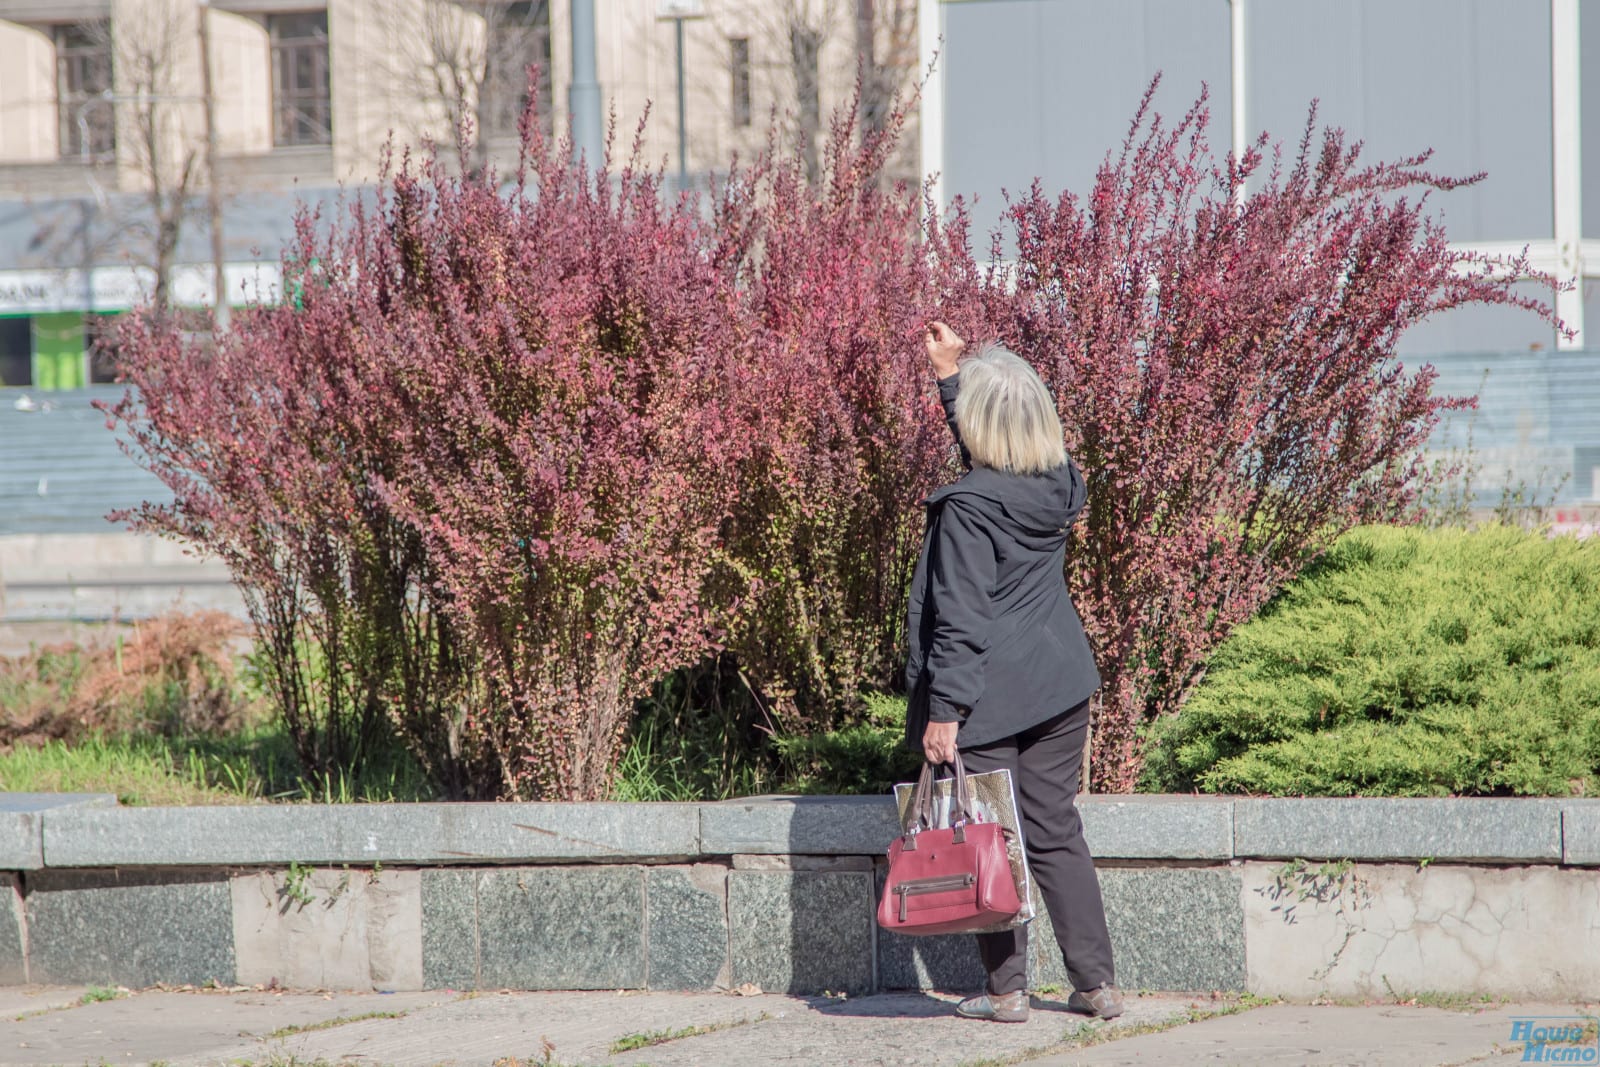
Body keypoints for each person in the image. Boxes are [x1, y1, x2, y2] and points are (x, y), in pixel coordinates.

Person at [904, 321, 1122, 1024]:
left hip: (989, 698)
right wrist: (950, 376)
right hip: (1059, 684)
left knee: (988, 838)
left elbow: (960, 620)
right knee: (1055, 828)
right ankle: (1097, 985)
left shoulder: (968, 510)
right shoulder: (1058, 484)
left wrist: (945, 713)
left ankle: (1007, 993)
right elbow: (990, 449)